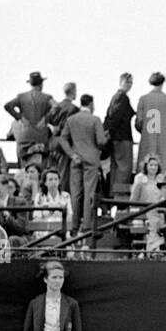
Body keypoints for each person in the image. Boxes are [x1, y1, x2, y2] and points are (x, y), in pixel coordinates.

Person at [60, 93, 109, 234]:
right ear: (91, 104)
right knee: (90, 192)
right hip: (91, 159)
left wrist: (72, 154)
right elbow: (100, 141)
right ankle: (87, 225)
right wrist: (106, 137)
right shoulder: (95, 120)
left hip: (75, 159)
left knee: (75, 193)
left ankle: (74, 225)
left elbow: (63, 139)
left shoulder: (71, 120)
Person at [3, 71, 55, 167]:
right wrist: (46, 118)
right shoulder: (47, 97)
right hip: (40, 137)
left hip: (24, 138)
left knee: (24, 168)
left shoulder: (21, 97)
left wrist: (20, 118)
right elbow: (56, 107)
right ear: (41, 84)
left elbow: (7, 106)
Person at [135, 71, 166, 171]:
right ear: (163, 83)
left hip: (147, 138)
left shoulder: (143, 99)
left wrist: (143, 131)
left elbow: (138, 121)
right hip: (164, 139)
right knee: (164, 167)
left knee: (145, 166)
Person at [103, 73, 136, 197]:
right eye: (127, 82)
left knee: (117, 169)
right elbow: (114, 117)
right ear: (121, 82)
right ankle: (120, 199)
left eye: (131, 83)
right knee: (124, 170)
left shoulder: (117, 97)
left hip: (117, 138)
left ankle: (114, 198)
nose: (129, 85)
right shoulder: (121, 97)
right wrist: (110, 133)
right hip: (122, 138)